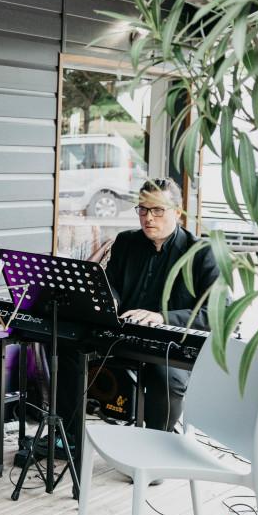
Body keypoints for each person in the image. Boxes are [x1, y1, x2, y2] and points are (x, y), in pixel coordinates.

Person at [56, 177, 221, 450]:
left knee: (163, 376)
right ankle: (69, 439)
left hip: (171, 344)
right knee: (67, 346)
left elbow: (218, 314)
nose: (148, 218)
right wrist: (106, 300)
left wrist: (161, 317)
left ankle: (155, 449)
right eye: (143, 210)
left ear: (177, 213)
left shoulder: (202, 253)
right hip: (124, 335)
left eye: (158, 210)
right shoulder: (126, 242)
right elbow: (114, 289)